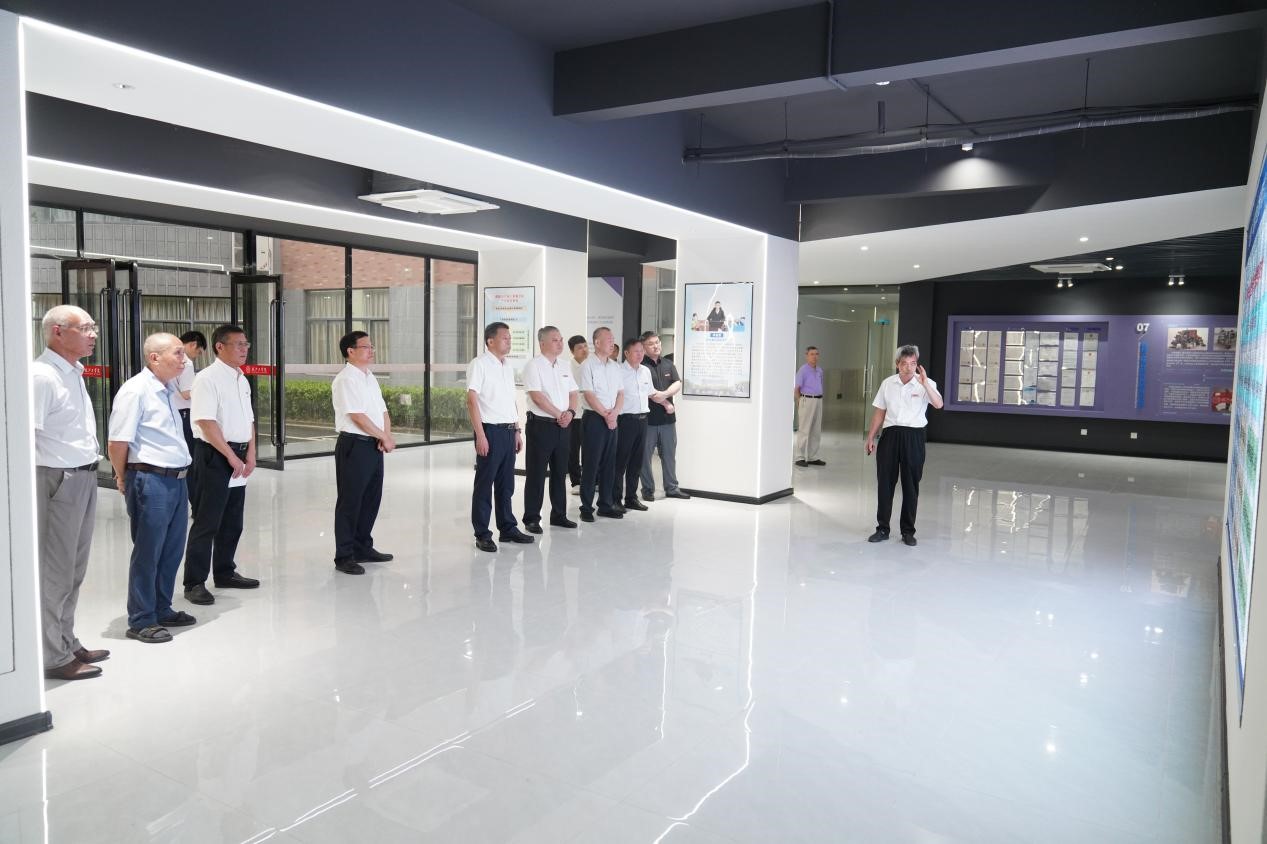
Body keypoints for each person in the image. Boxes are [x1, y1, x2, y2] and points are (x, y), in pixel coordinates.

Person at [33, 305, 108, 679]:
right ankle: (53, 655)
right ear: (58, 332)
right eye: (86, 328)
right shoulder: (42, 377)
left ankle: (66, 639)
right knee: (55, 571)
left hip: (83, 476)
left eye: (94, 327)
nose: (93, 334)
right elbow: (25, 436)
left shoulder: (73, 372)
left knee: (74, 569)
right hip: (57, 479)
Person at [107, 333, 197, 644]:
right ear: (154, 357)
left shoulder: (168, 389)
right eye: (178, 353)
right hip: (150, 479)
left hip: (177, 479)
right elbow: (117, 442)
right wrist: (122, 477)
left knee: (171, 550)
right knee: (149, 551)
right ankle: (141, 618)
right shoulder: (135, 391)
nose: (184, 360)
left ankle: (161, 607)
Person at [182, 324, 261, 605]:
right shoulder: (207, 378)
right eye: (238, 344)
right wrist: (230, 455)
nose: (244, 349)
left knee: (232, 520)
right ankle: (194, 582)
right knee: (207, 521)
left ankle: (225, 571)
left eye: (246, 344)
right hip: (215, 455)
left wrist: (251, 453)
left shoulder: (241, 379)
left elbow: (249, 420)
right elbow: (206, 421)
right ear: (220, 347)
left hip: (238, 455)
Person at [865, 344, 943, 547]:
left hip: (914, 437)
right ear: (897, 364)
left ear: (917, 364)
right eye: (904, 363)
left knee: (910, 485)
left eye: (913, 363)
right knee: (885, 484)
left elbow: (938, 404)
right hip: (890, 435)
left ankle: (908, 531)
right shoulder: (887, 383)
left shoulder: (925, 383)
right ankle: (882, 528)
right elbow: (880, 412)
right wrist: (871, 437)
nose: (909, 368)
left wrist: (925, 384)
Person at [331, 330, 395, 576]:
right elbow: (357, 416)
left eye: (371, 346)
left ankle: (362, 547)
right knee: (351, 501)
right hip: (354, 445)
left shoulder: (369, 377)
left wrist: (385, 435)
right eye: (366, 347)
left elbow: (383, 411)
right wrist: (383, 437)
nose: (372, 351)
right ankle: (344, 555)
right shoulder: (346, 380)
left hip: (373, 444)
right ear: (350, 351)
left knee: (371, 498)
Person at [467, 322, 534, 551]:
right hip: (490, 431)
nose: (509, 341)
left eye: (509, 338)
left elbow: (509, 401)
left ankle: (507, 528)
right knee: (485, 484)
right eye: (505, 337)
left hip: (507, 431)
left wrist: (517, 430)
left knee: (506, 484)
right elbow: (472, 401)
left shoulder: (507, 366)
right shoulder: (479, 364)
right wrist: (480, 435)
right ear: (490, 341)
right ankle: (482, 534)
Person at [521, 326, 579, 533]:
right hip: (541, 425)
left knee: (560, 472)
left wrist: (570, 412)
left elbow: (574, 393)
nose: (560, 343)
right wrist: (559, 414)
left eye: (561, 339)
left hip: (564, 426)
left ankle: (559, 515)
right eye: (555, 340)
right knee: (536, 473)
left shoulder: (564, 365)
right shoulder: (533, 366)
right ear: (542, 343)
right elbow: (537, 396)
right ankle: (532, 519)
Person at [578, 326, 624, 522]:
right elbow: (588, 394)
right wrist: (606, 415)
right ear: (597, 343)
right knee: (591, 464)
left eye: (613, 339)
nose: (612, 342)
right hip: (595, 419)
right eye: (608, 339)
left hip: (612, 418)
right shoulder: (587, 365)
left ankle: (605, 505)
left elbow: (621, 393)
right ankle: (586, 507)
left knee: (609, 464)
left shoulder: (615, 366)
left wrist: (615, 413)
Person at [639, 331, 690, 501]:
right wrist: (666, 403)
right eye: (651, 343)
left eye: (657, 342)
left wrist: (665, 394)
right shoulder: (641, 367)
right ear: (643, 347)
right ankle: (648, 489)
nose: (656, 346)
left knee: (669, 455)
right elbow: (648, 392)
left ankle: (672, 487)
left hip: (668, 420)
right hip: (648, 420)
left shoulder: (668, 364)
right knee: (645, 457)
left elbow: (677, 383)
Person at [612, 337, 653, 513]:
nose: (640, 354)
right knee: (620, 462)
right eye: (636, 351)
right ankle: (615, 499)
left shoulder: (646, 371)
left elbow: (650, 393)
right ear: (627, 353)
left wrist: (667, 401)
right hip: (625, 420)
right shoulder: (618, 371)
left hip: (643, 420)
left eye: (642, 351)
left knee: (636, 462)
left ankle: (631, 498)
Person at [171, 330, 207, 501]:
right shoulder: (186, 362)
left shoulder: (168, 357)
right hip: (184, 414)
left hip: (172, 412)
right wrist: (201, 386)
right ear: (193, 344)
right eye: (198, 352)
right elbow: (186, 393)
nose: (197, 356)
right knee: (190, 460)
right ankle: (195, 501)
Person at [794, 346, 825, 467]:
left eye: (816, 354)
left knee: (816, 430)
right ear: (807, 356)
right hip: (807, 400)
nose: (815, 356)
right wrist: (799, 401)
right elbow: (796, 388)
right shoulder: (803, 370)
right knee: (804, 430)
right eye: (812, 354)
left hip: (818, 400)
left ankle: (813, 457)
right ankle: (800, 457)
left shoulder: (820, 370)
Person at [566, 334, 589, 492]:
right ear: (572, 351)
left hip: (590, 413)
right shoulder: (567, 367)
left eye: (585, 346)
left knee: (590, 449)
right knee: (573, 450)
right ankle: (575, 482)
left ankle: (590, 480)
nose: (584, 350)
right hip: (573, 415)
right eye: (580, 348)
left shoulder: (592, 365)